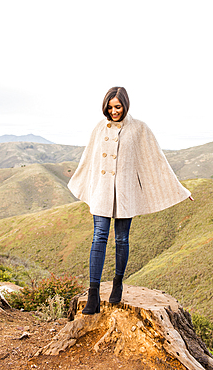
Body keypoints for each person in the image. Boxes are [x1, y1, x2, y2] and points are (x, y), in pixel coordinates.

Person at [68, 86, 192, 315]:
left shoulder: (139, 129)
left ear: (125, 105)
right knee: (99, 237)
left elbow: (156, 161)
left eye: (118, 106)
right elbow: (89, 160)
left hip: (125, 193)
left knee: (122, 239)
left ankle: (117, 282)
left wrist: (179, 189)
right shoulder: (99, 128)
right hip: (102, 193)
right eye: (110, 106)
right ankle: (93, 294)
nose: (113, 111)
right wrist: (83, 184)